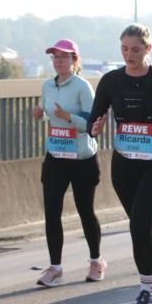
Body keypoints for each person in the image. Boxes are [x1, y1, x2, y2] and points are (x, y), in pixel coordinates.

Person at [89, 25, 152, 304]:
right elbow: (94, 117)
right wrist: (95, 127)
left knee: (140, 225)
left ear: (148, 49)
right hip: (125, 164)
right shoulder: (110, 81)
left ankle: (147, 290)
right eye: (124, 49)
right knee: (145, 226)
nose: (129, 55)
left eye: (135, 49)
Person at [32, 40, 105, 287]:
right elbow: (47, 113)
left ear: (75, 59)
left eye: (64, 57)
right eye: (55, 57)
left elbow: (92, 124)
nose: (58, 61)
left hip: (82, 158)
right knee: (52, 213)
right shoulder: (47, 85)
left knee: (86, 211)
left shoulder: (83, 87)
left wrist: (68, 117)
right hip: (56, 156)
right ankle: (55, 268)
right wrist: (39, 114)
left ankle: (96, 261)